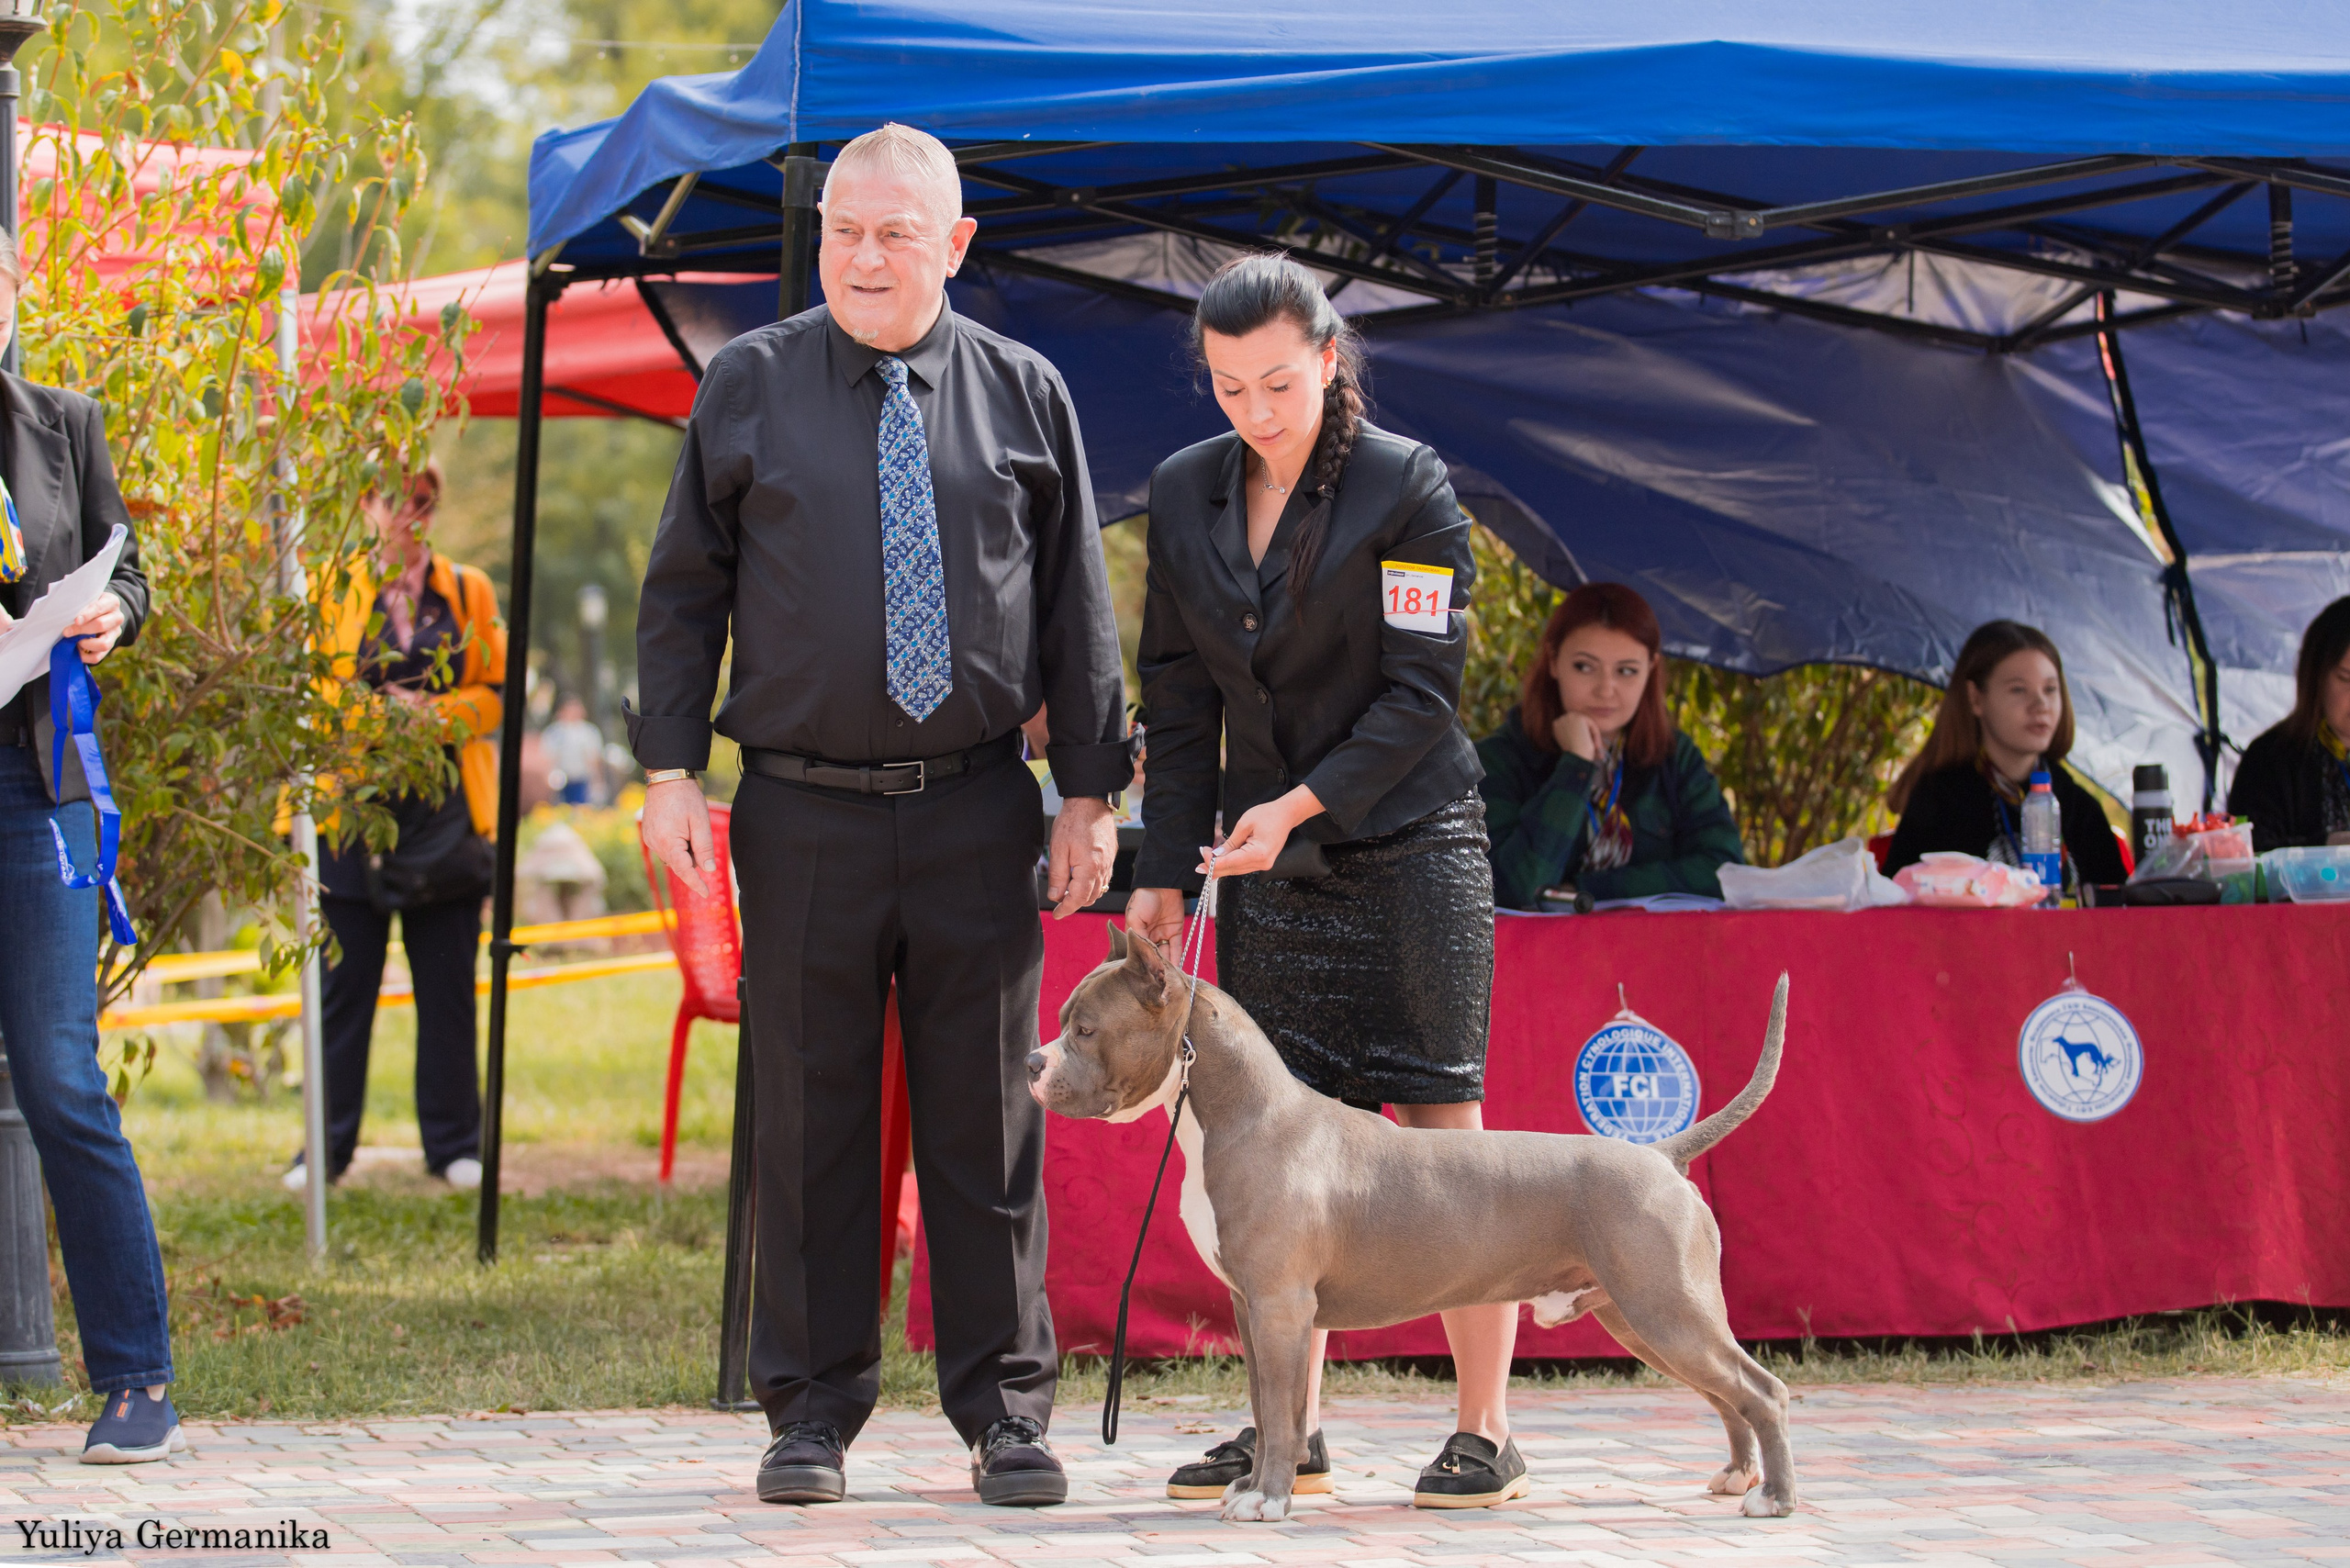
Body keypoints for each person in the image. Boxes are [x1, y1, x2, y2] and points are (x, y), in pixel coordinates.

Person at [632, 123, 1128, 1509]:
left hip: (979, 811)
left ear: (955, 244)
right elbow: (681, 596)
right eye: (845, 229)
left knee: (990, 1122)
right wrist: (671, 773)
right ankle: (809, 1412)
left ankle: (1006, 1414)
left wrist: (1088, 791)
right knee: (809, 1119)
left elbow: (1080, 606)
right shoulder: (746, 385)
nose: (863, 255)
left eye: (896, 232)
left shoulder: (1027, 396)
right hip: (799, 815)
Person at [1124, 253, 1522, 1509]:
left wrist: (1292, 805)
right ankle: (1286, 1427)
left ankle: (1487, 1430)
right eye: (1231, 387)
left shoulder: (1408, 485)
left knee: (1443, 1136)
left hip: (1410, 842)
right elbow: (1180, 701)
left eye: (1280, 383)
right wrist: (1161, 873)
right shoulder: (1186, 490)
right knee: (1278, 1146)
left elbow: (1420, 696)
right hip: (1263, 863)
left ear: (1330, 360)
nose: (1256, 411)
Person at [0, 232, 179, 1463]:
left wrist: (115, 610)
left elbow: (131, 570)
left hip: (36, 784)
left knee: (62, 1078)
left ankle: (136, 1379)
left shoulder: (65, 422)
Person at [288, 461, 505, 1193]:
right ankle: (325, 1149)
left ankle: (454, 1146)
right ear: (366, 502)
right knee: (343, 991)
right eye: (394, 498)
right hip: (352, 812)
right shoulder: (330, 586)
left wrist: (433, 718)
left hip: (444, 813)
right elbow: (317, 697)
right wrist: (382, 719)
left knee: (447, 988)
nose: (409, 512)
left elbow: (494, 692)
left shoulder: (468, 588)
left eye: (423, 500)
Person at [1478, 583, 1745, 909]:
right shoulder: (1500, 759)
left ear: (1651, 669)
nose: (1606, 689)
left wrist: (1585, 890)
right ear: (1553, 661)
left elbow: (1725, 872)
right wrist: (1575, 766)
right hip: (1535, 958)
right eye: (1584, 667)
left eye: (1627, 671)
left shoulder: (1674, 757)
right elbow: (1512, 889)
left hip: (1655, 953)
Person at [1885, 619, 2127, 889]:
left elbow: (2121, 915)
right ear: (1976, 698)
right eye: (2018, 690)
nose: (2040, 704)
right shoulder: (1941, 801)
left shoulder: (2078, 808)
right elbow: (1898, 909)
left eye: (2050, 689)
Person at [2228, 597, 2350, 852]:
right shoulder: (2270, 759)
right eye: (2346, 679)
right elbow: (2247, 851)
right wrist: (2326, 845)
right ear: (2316, 676)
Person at [542, 694, 607, 805]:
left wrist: (597, 782)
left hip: (582, 778)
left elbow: (594, 758)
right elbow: (549, 757)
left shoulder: (588, 731)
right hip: (561, 779)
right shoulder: (555, 732)